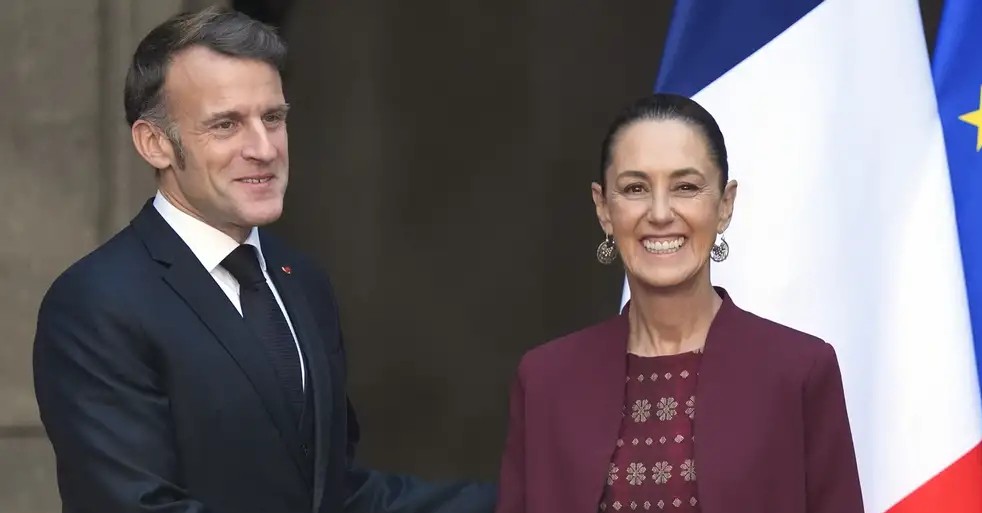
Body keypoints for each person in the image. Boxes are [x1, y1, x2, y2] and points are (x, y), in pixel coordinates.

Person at [32, 7, 494, 513]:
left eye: (273, 118)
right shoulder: (97, 303)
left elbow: (333, 495)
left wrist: (530, 497)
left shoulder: (302, 281)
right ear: (155, 144)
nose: (264, 148)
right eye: (226, 124)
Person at [494, 94, 864, 513]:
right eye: (635, 188)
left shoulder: (799, 370)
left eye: (685, 187)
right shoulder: (546, 380)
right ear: (603, 208)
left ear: (725, 205)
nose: (659, 213)